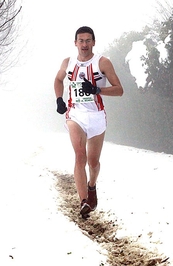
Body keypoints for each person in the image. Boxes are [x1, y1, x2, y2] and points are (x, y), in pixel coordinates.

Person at [54, 26, 123, 218]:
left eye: (88, 41)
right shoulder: (68, 62)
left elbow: (119, 89)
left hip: (96, 116)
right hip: (75, 114)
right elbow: (58, 80)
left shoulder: (103, 62)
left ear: (93, 42)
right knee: (79, 156)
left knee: (93, 162)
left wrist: (97, 90)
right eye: (80, 41)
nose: (84, 45)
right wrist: (59, 99)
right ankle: (84, 201)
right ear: (75, 43)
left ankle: (92, 186)